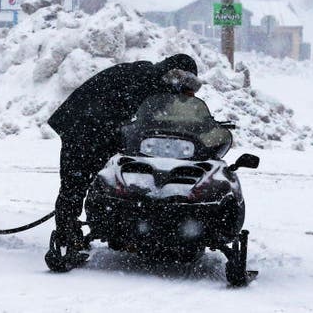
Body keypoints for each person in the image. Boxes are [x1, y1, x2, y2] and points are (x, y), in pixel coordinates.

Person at [45, 53, 200, 258]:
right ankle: (67, 237)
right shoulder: (149, 82)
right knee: (76, 182)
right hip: (84, 126)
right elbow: (146, 120)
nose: (188, 94)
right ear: (178, 78)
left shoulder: (152, 78)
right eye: (188, 87)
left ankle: (85, 228)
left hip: (97, 125)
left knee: (91, 179)